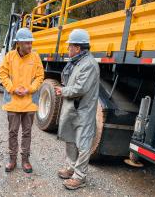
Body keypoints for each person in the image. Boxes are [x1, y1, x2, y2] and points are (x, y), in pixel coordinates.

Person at [55, 29, 100, 190]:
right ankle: (71, 168)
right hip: (74, 108)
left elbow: (80, 88)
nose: (68, 49)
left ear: (78, 48)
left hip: (83, 110)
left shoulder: (89, 64)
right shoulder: (77, 61)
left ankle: (80, 177)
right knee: (70, 139)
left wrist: (63, 91)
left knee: (83, 143)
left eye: (70, 47)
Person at [0, 28, 44, 173]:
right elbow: (2, 74)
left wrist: (30, 89)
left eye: (31, 43)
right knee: (12, 132)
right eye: (27, 43)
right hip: (13, 103)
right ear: (18, 43)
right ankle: (12, 159)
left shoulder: (35, 57)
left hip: (29, 103)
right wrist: (12, 88)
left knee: (27, 132)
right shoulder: (10, 56)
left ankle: (25, 160)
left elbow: (40, 76)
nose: (30, 46)